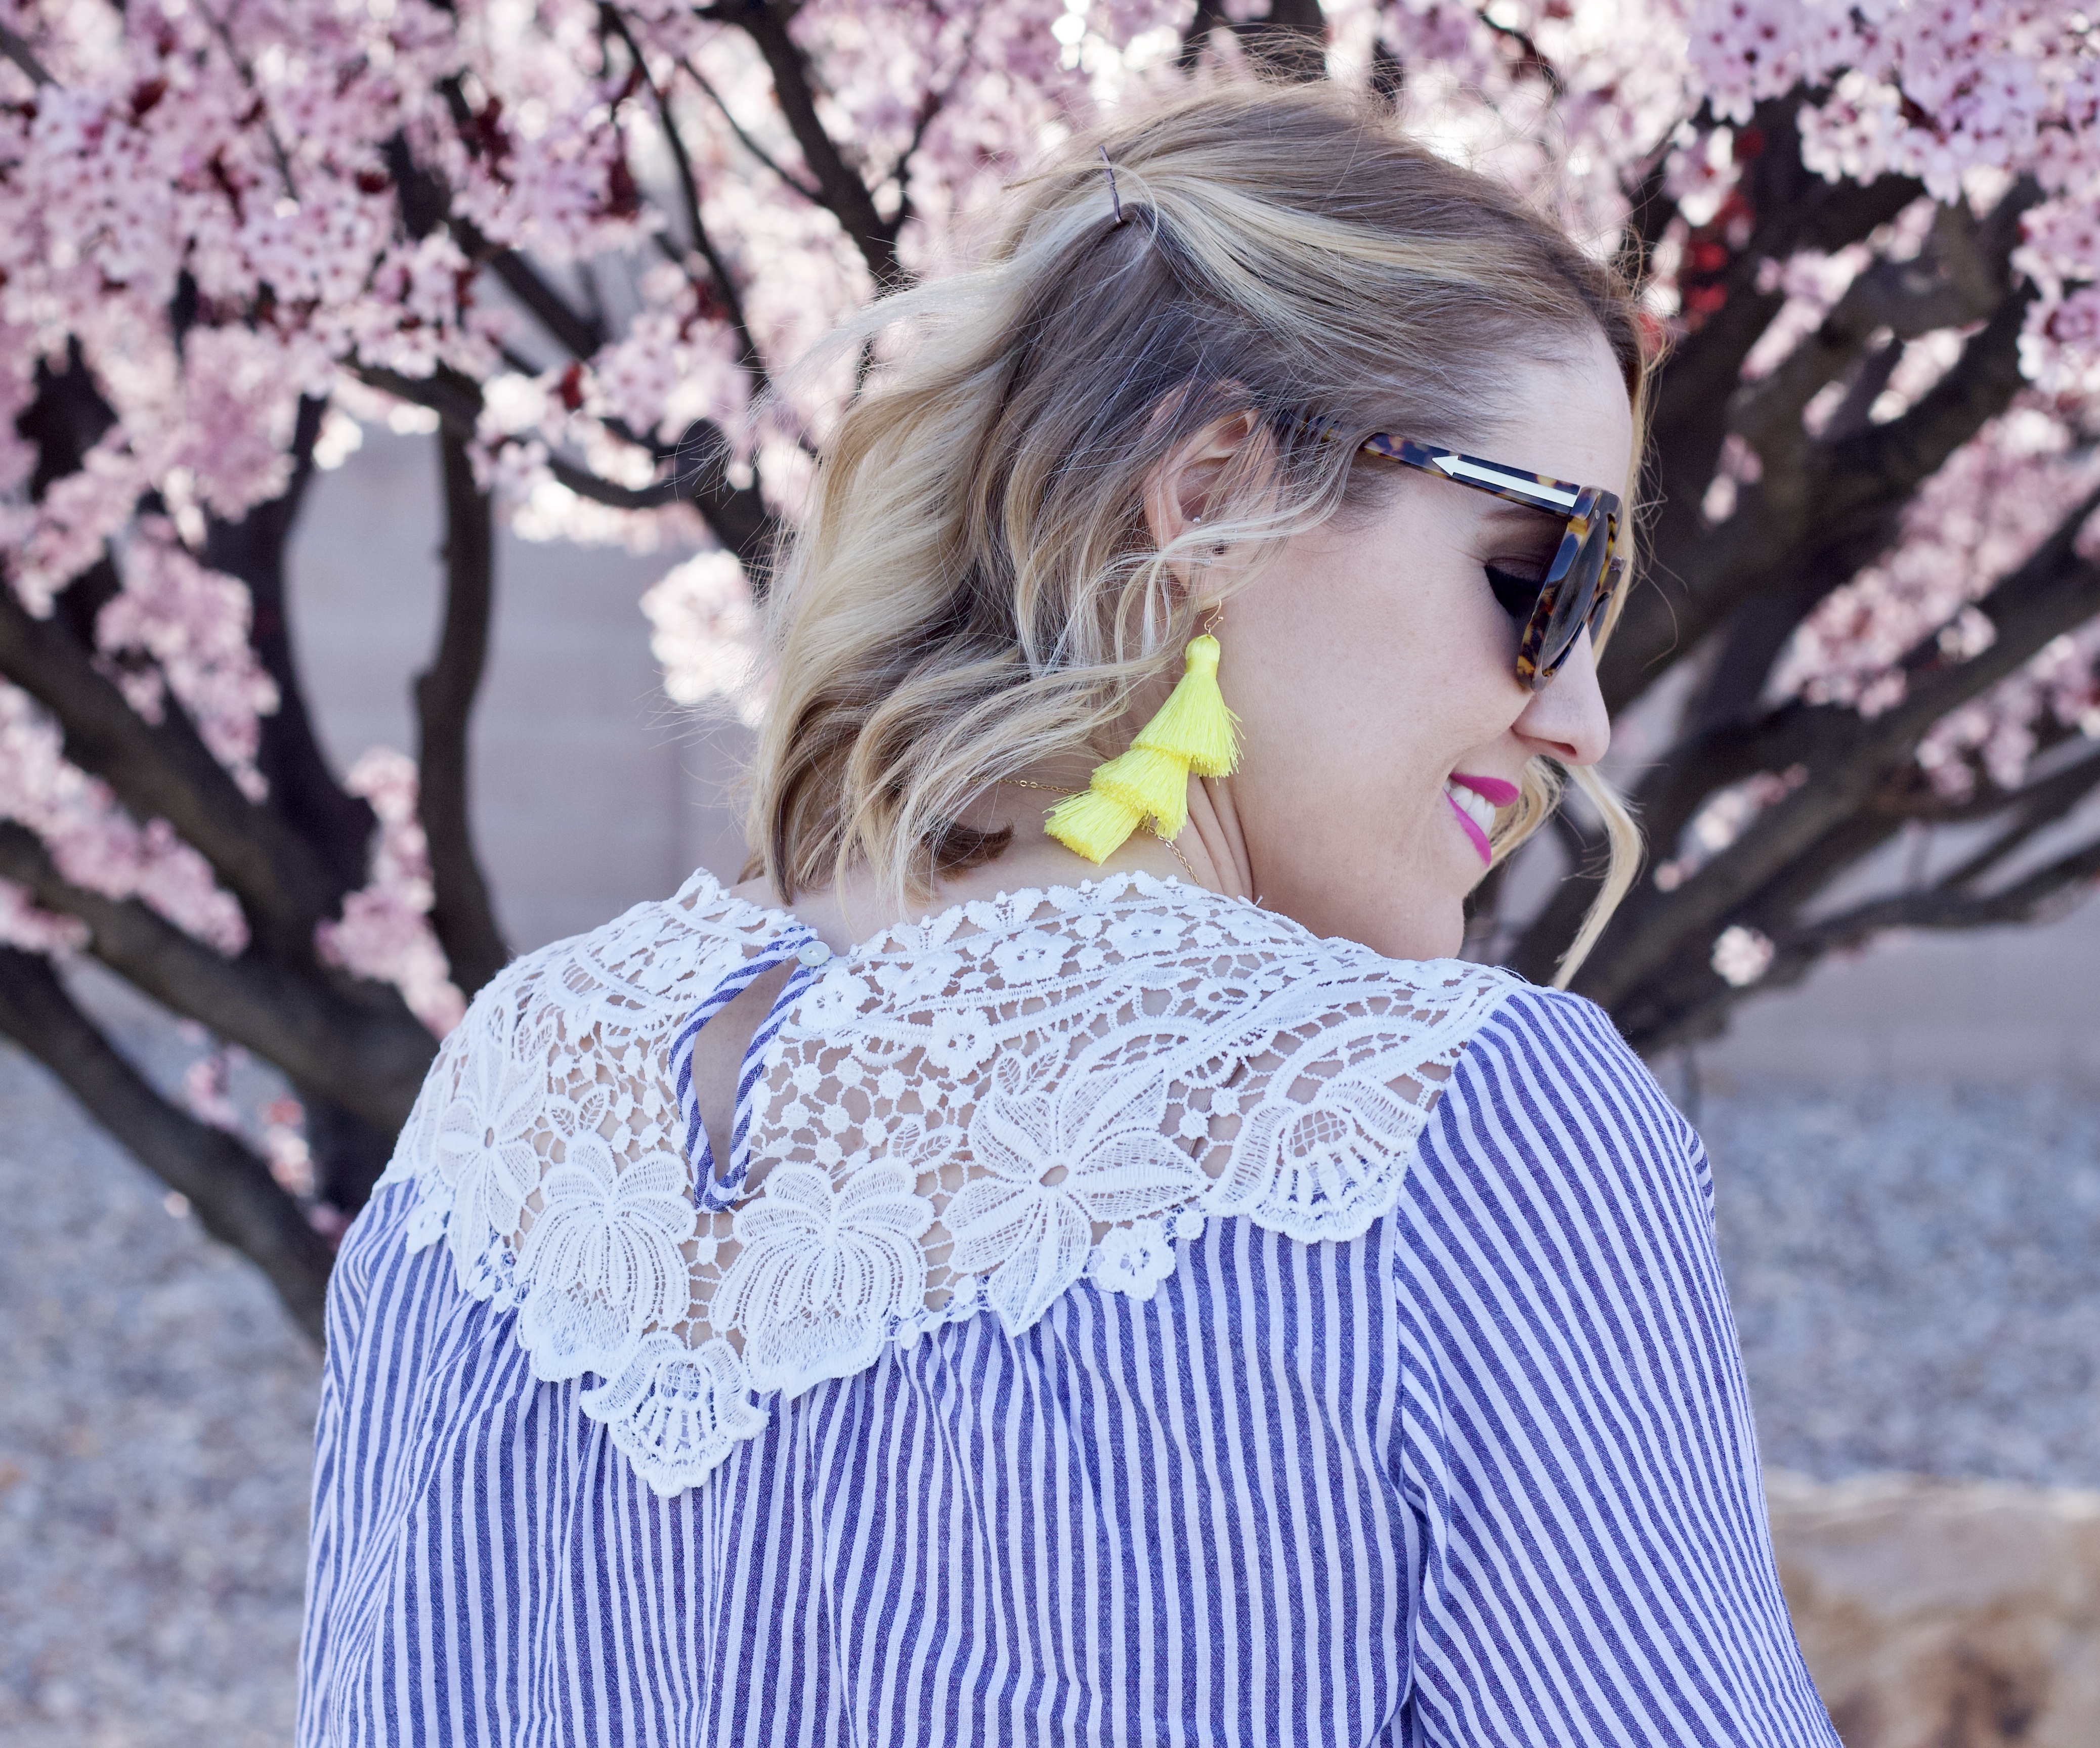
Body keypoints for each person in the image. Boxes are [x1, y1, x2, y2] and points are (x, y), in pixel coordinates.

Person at [299, 79, 1838, 1747]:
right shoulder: (1443, 1127)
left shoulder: (516, 1093)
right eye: (1543, 576)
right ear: (1209, 499)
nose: (1583, 721)